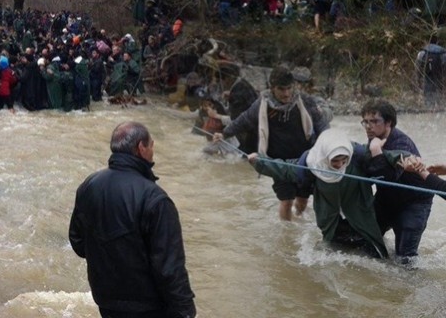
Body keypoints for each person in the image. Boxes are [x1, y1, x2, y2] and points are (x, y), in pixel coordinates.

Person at [69, 121, 196, 318]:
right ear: (141, 148)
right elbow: (170, 268)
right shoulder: (155, 199)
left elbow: (78, 243)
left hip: (106, 301)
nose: (153, 151)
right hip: (148, 307)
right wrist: (186, 312)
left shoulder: (89, 185)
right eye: (151, 145)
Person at [248, 129, 408, 258]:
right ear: (325, 156)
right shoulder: (312, 164)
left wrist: (409, 159)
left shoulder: (358, 157)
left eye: (343, 160)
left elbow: (389, 156)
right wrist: (259, 161)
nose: (339, 165)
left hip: (360, 217)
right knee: (331, 259)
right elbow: (284, 169)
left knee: (378, 257)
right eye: (335, 161)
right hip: (331, 222)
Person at [214, 66, 329, 220]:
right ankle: (286, 235)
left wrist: (329, 146)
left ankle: (299, 227)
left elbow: (322, 125)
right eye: (281, 89)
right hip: (277, 163)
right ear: (272, 88)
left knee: (302, 201)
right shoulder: (262, 105)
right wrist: (224, 133)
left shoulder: (305, 102)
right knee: (286, 201)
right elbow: (244, 120)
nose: (286, 94)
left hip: (304, 160)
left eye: (289, 88)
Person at [359, 100, 431, 263]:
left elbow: (388, 179)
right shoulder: (375, 138)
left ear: (388, 122)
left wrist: (376, 151)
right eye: (366, 122)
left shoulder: (401, 144)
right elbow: (370, 173)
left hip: (414, 203)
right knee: (368, 246)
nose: (369, 126)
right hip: (386, 199)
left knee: (405, 259)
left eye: (374, 121)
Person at [415, 33, 446, 109]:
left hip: (427, 76)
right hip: (439, 77)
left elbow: (418, 67)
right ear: (438, 42)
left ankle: (428, 110)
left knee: (428, 94)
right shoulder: (443, 53)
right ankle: (439, 109)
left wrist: (418, 79)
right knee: (438, 93)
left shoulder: (422, 52)